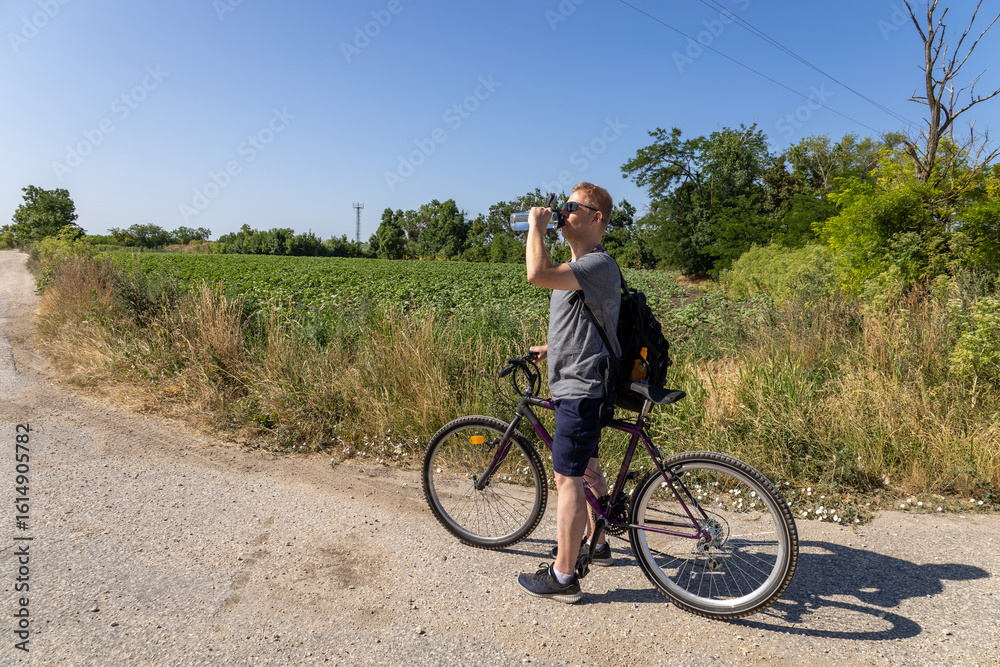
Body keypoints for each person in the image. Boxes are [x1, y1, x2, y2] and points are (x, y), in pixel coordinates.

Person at [516, 182, 621, 604]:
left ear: (596, 219)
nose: (562, 211)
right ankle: (595, 542)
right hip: (576, 383)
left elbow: (534, 274)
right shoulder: (578, 267)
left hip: (581, 390)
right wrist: (550, 348)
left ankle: (563, 576)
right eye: (562, 206)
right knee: (588, 468)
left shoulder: (597, 264)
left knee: (568, 478)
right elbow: (585, 325)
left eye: (572, 207)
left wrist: (535, 228)